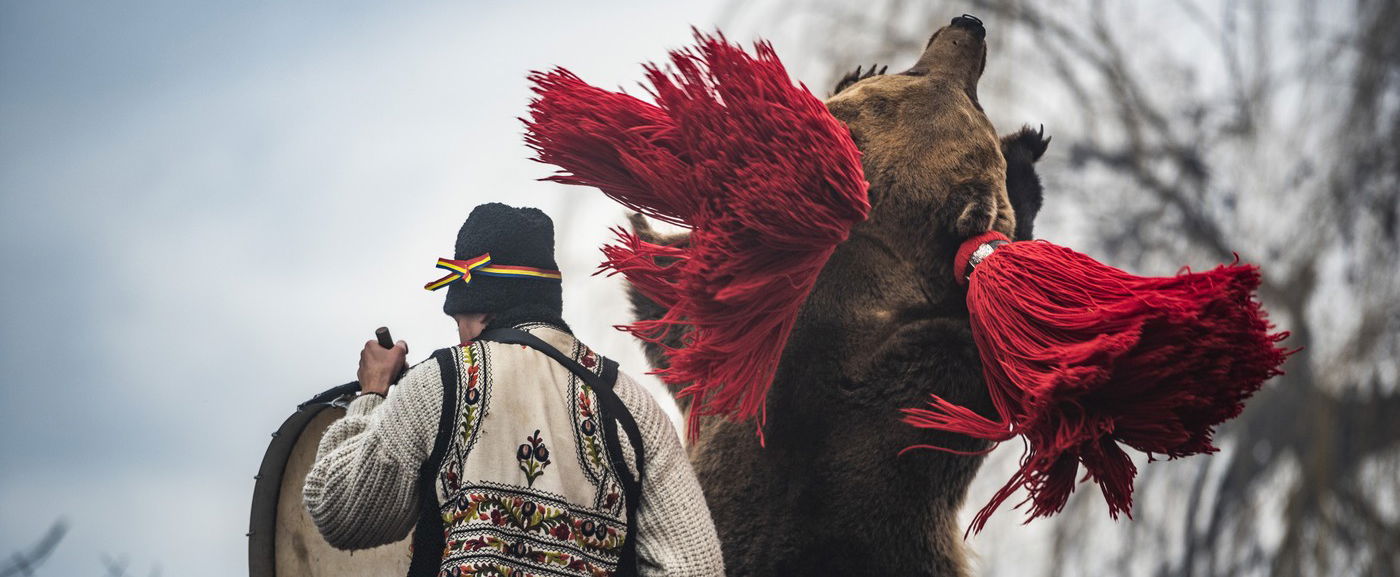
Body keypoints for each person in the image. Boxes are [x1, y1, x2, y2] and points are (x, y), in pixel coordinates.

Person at [303, 203, 724, 577]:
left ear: (478, 307)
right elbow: (697, 568)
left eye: (458, 322)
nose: (461, 336)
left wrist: (372, 394)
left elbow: (341, 512)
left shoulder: (439, 381)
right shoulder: (632, 407)